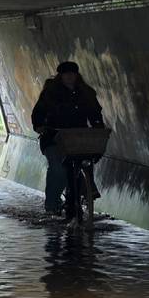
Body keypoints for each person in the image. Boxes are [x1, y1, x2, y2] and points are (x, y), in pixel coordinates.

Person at [30, 61, 105, 217]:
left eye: (72, 73)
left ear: (77, 75)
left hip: (78, 139)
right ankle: (52, 205)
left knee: (87, 161)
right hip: (54, 138)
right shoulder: (50, 93)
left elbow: (95, 113)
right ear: (61, 76)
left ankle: (88, 188)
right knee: (58, 169)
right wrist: (40, 126)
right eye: (66, 74)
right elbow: (38, 113)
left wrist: (98, 127)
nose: (70, 76)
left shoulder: (86, 93)